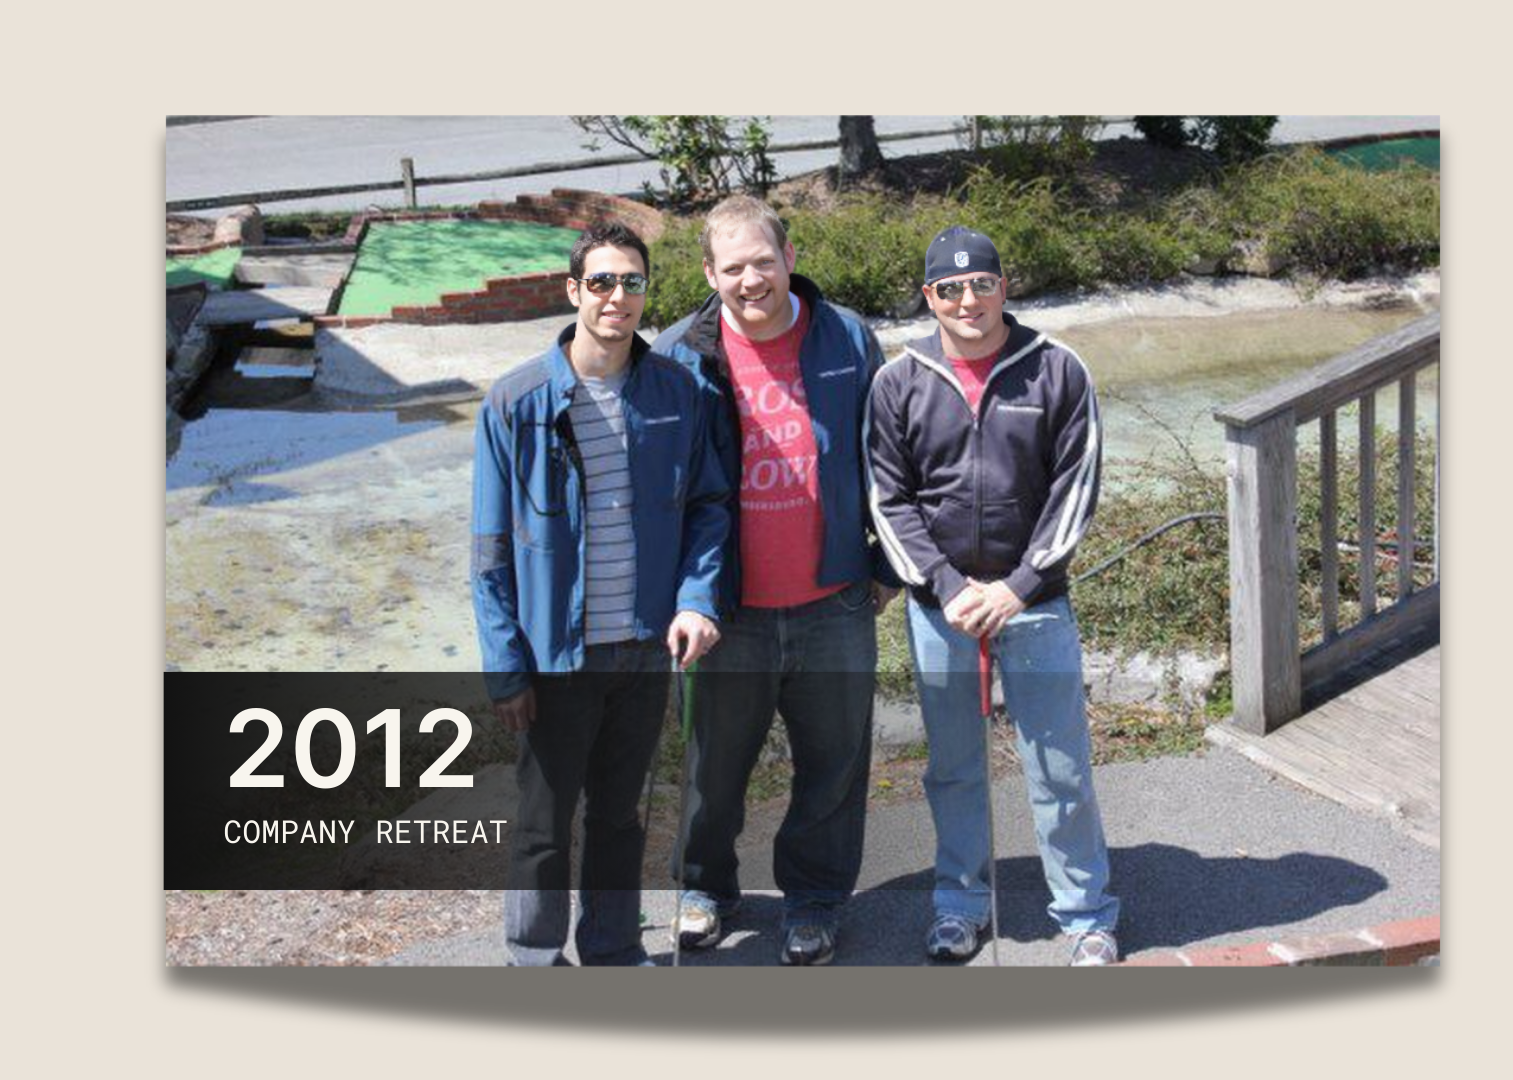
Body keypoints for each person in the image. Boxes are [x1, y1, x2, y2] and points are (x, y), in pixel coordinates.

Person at [471, 221, 729, 966]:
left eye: (633, 282)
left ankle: (614, 950)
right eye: (603, 282)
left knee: (621, 817)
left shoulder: (678, 392)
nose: (618, 297)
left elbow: (709, 506)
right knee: (544, 821)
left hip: (644, 647)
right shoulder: (515, 402)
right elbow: (488, 553)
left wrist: (697, 599)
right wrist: (506, 669)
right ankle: (534, 960)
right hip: (556, 657)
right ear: (573, 291)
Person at [865, 226, 1121, 966]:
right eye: (950, 288)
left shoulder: (1057, 371)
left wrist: (1017, 587)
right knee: (953, 766)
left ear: (1005, 285)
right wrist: (945, 587)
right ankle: (959, 904)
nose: (968, 300)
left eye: (982, 283)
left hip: (1035, 605)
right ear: (930, 297)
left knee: (1060, 766)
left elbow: (1075, 490)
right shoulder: (898, 381)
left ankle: (1085, 915)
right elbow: (889, 499)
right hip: (940, 611)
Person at [653, 195, 897, 965]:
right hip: (729, 613)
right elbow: (663, 489)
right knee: (711, 772)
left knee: (833, 768)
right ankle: (704, 888)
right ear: (708, 274)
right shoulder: (678, 356)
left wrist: (887, 565)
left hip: (834, 603)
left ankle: (815, 901)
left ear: (790, 258)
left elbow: (893, 458)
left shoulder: (849, 337)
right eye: (733, 267)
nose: (750, 279)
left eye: (763, 261)